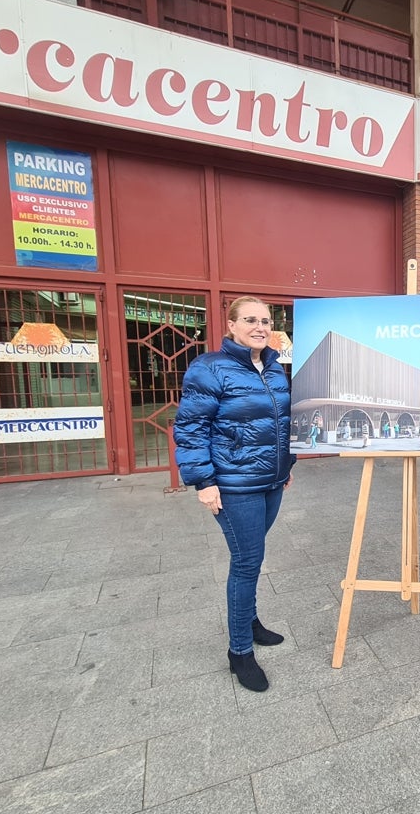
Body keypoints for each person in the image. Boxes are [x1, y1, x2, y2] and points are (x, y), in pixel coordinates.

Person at [173, 296, 295, 693]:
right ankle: (239, 651)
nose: (259, 326)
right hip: (233, 485)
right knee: (246, 561)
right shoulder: (209, 368)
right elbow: (191, 428)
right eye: (249, 320)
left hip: (271, 482)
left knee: (252, 556)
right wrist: (203, 482)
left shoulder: (275, 369)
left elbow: (282, 423)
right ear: (230, 326)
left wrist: (285, 466)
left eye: (265, 320)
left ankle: (251, 621)